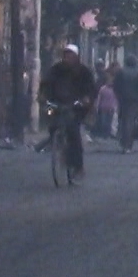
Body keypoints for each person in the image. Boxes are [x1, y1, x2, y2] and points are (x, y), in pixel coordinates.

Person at [40, 44, 98, 181]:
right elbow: (46, 84)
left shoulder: (83, 71)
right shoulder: (55, 70)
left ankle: (77, 166)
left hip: (76, 106)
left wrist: (86, 99)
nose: (68, 58)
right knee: (52, 124)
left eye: (71, 55)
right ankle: (56, 143)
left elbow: (91, 88)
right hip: (57, 104)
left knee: (73, 131)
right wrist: (43, 96)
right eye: (66, 55)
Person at [114, 56, 138, 153]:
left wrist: (118, 95)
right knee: (130, 121)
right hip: (134, 100)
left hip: (123, 99)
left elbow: (116, 85)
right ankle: (128, 144)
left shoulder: (121, 72)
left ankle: (123, 142)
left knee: (123, 120)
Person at [91, 69, 118, 141]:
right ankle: (103, 134)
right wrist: (97, 106)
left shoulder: (114, 90)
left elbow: (116, 99)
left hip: (111, 108)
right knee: (103, 122)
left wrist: (116, 107)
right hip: (103, 108)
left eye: (111, 81)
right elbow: (99, 98)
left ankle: (107, 134)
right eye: (109, 81)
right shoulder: (103, 89)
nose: (110, 82)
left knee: (109, 122)